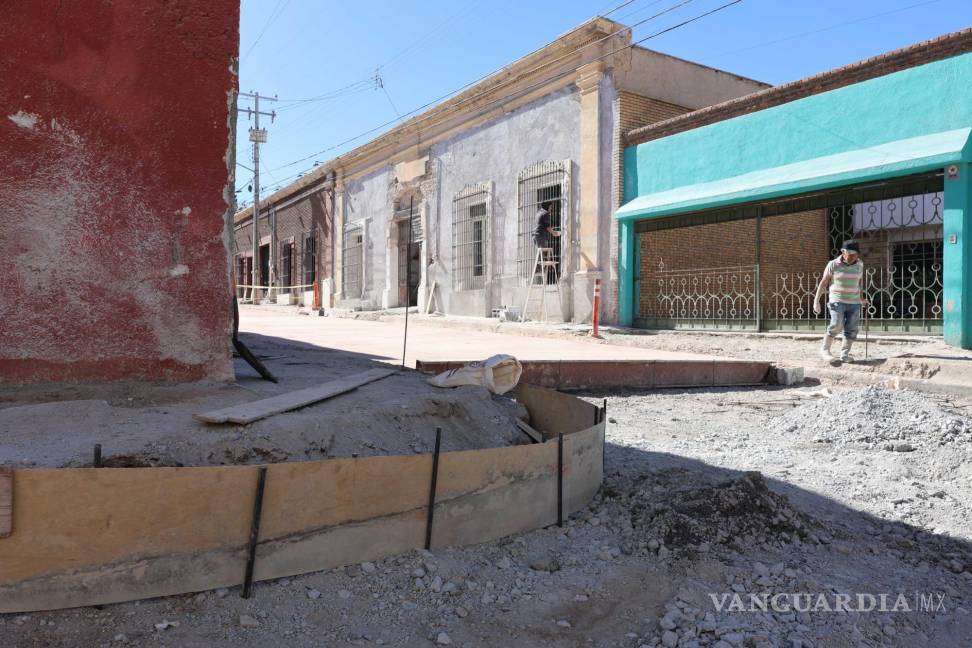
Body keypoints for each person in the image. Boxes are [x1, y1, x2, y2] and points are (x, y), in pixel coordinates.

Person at [813, 239, 867, 362]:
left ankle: (845, 354)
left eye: (856, 255)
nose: (854, 257)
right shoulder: (833, 264)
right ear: (843, 252)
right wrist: (816, 301)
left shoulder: (860, 264)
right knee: (837, 325)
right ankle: (825, 350)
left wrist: (861, 298)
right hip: (837, 300)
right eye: (851, 255)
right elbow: (823, 283)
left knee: (851, 329)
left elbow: (859, 282)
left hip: (854, 302)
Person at [533, 204, 561, 283]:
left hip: (536, 235)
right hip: (541, 236)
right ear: (547, 206)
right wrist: (554, 233)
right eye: (551, 206)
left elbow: (543, 225)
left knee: (541, 253)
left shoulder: (539, 212)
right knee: (543, 253)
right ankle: (539, 269)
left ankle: (538, 268)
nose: (551, 208)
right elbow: (547, 228)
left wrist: (551, 230)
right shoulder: (546, 213)